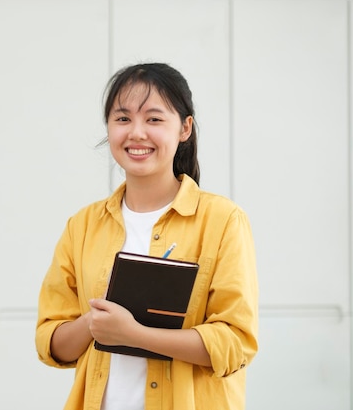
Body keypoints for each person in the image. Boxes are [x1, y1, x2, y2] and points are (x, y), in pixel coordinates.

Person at [36, 62, 258, 410]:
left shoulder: (223, 220)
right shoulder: (82, 225)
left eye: (154, 119)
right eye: (122, 119)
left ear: (185, 128)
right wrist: (92, 323)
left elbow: (235, 342)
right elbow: (51, 343)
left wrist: (134, 334)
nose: (136, 133)